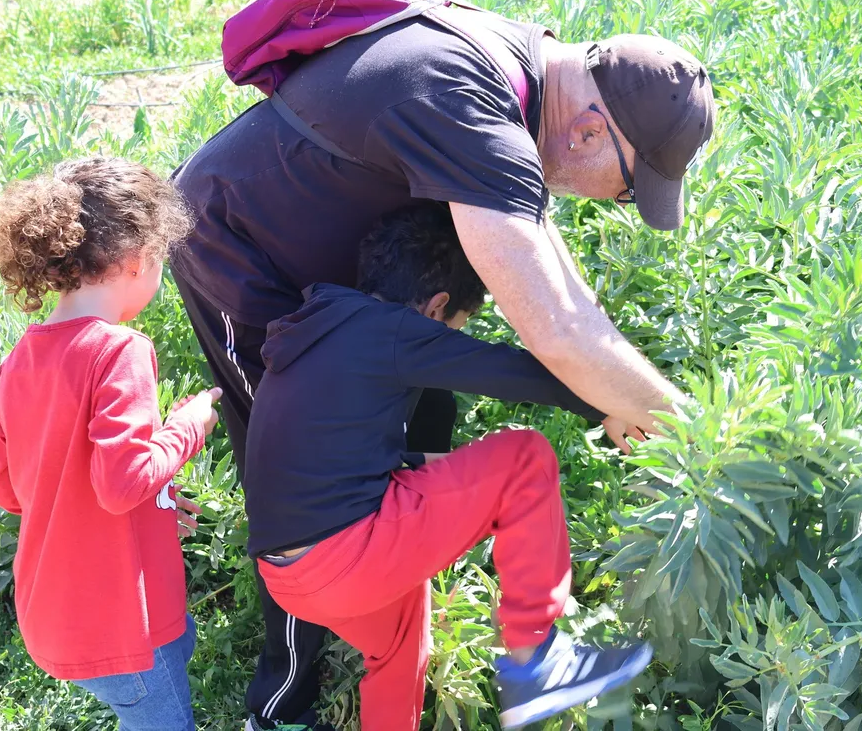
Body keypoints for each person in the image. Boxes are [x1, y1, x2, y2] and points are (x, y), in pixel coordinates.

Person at [171, 12, 714, 728]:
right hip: (237, 251)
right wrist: (690, 430)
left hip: (338, 281)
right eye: (625, 189)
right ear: (586, 130)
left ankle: (393, 577)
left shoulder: (515, 69)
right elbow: (554, 333)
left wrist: (608, 384)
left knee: (395, 546)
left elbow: (559, 290)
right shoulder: (472, 105)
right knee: (286, 455)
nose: (616, 205)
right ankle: (283, 703)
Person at [245, 203, 653, 730]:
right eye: (458, 325)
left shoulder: (324, 323)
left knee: (400, 642)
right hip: (344, 555)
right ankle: (537, 661)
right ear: (437, 307)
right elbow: (516, 373)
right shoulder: (393, 330)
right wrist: (610, 403)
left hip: (288, 577)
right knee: (524, 457)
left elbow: (345, 460)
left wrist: (460, 483)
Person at [0, 157, 223, 731]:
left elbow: (16, 491)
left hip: (58, 616)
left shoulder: (19, 362)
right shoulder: (118, 349)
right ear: (137, 261)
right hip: (122, 626)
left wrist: (154, 500)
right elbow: (119, 482)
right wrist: (189, 424)